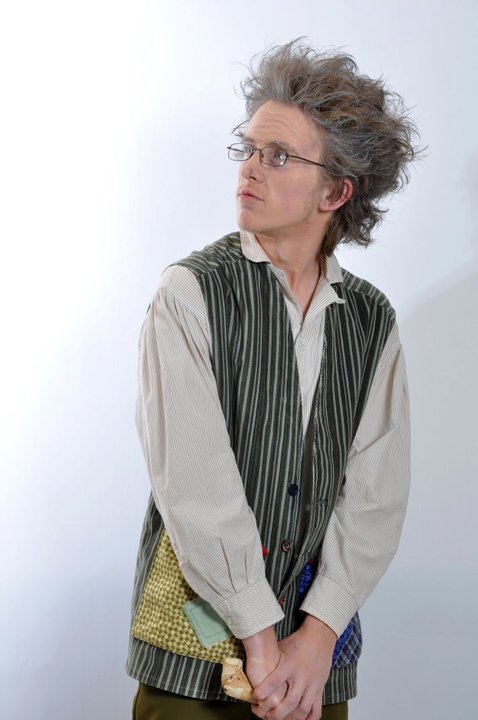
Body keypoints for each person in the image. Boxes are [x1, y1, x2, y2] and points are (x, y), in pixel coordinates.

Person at [126, 40, 419, 720]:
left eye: (279, 155)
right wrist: (260, 639)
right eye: (249, 148)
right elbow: (192, 481)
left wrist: (316, 639)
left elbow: (376, 494)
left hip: (316, 662)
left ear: (336, 192)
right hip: (198, 640)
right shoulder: (190, 294)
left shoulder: (370, 320)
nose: (250, 168)